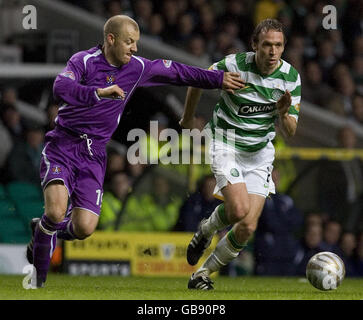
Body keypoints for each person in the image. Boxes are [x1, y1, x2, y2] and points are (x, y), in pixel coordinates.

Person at [25, 14, 245, 288]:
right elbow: (61, 87)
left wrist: (217, 79)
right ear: (111, 39)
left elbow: (177, 71)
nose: (135, 48)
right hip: (63, 145)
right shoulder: (83, 61)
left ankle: (44, 229)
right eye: (129, 42)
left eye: (137, 43)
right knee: (57, 212)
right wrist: (98, 93)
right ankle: (37, 285)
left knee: (84, 228)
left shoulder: (138, 67)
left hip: (94, 155)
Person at [180, 18, 301, 290]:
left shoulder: (290, 78)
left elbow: (290, 131)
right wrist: (188, 119)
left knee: (247, 227)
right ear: (254, 44)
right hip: (226, 143)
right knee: (238, 209)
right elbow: (197, 80)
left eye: (278, 46)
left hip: (260, 153)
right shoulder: (233, 65)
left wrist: (283, 112)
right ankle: (206, 229)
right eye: (267, 45)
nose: (273, 52)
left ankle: (202, 274)